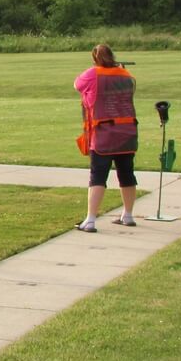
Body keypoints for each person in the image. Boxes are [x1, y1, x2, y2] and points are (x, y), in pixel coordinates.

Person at [74, 44, 138, 232]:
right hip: (127, 132)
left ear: (95, 58)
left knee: (98, 176)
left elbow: (77, 85)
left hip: (103, 134)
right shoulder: (126, 75)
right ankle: (128, 215)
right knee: (127, 174)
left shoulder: (93, 73)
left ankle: (90, 220)